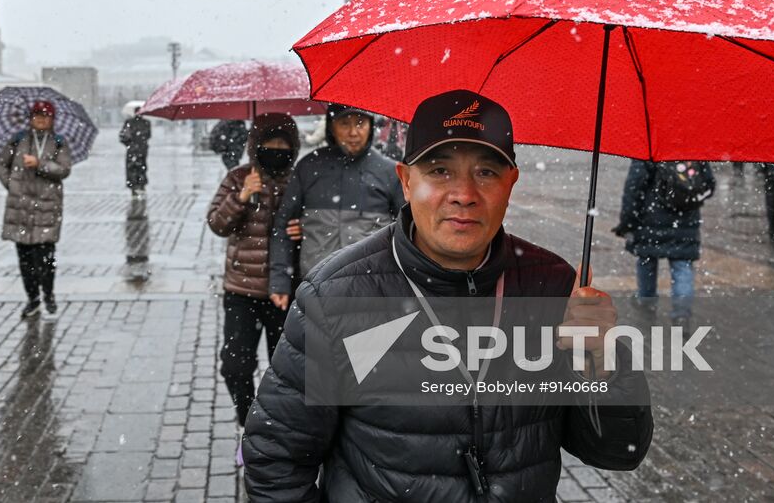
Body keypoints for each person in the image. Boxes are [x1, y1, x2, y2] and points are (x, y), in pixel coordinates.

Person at [244, 90, 653, 499]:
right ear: (404, 181)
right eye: (440, 171)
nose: (464, 193)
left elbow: (618, 452)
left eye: (487, 173)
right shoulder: (335, 295)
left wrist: (602, 360)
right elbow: (277, 461)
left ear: (511, 182)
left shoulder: (553, 288)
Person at [205, 113, 302, 462]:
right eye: (269, 144)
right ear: (254, 145)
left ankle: (280, 429)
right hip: (241, 290)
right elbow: (217, 223)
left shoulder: (300, 179)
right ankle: (248, 424)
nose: (276, 151)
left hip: (286, 292)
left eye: (283, 146)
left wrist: (302, 230)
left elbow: (314, 229)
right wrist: (242, 197)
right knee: (235, 365)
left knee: (285, 372)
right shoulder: (238, 177)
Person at [268, 104, 403, 311]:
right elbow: (282, 226)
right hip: (316, 288)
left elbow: (409, 231)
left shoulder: (388, 172)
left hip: (372, 291)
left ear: (370, 126)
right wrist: (279, 280)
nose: (353, 132)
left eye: (360, 123)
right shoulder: (309, 166)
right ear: (331, 127)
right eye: (344, 123)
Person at [0, 100, 73, 320]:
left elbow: (64, 170)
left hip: (47, 207)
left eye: (46, 116)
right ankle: (32, 299)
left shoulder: (58, 142)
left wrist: (40, 164)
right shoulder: (18, 139)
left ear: (52, 119)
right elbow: (1, 164)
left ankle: (48, 294)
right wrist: (12, 184)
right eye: (37, 115)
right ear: (31, 118)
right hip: (20, 208)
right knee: (25, 259)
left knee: (46, 257)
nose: (41, 119)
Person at [614, 160, 713, 325]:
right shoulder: (692, 148)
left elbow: (634, 187)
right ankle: (682, 313)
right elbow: (709, 184)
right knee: (682, 266)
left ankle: (646, 301)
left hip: (650, 220)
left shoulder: (648, 147)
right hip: (685, 222)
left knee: (647, 260)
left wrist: (627, 221)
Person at [118, 100, 152, 196]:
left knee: (132, 167)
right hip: (142, 149)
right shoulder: (146, 123)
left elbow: (122, 136)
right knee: (141, 167)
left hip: (132, 149)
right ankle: (141, 184)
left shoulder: (129, 122)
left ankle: (134, 186)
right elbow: (149, 135)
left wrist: (129, 144)